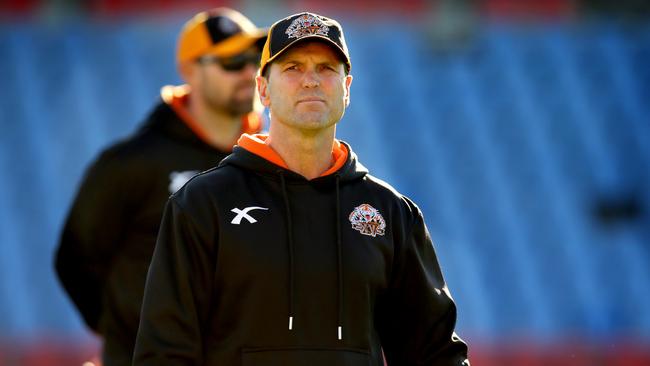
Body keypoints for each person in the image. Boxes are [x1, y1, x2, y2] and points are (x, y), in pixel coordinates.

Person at [133, 11, 470, 366]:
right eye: (293, 67)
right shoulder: (203, 204)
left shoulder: (389, 213)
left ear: (347, 88)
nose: (311, 80)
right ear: (263, 89)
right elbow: (164, 352)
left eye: (326, 68)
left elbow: (434, 354)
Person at [54, 8, 267, 366]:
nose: (248, 73)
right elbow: (75, 260)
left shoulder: (269, 161)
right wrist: (129, 332)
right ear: (190, 72)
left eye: (254, 60)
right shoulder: (131, 163)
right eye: (231, 62)